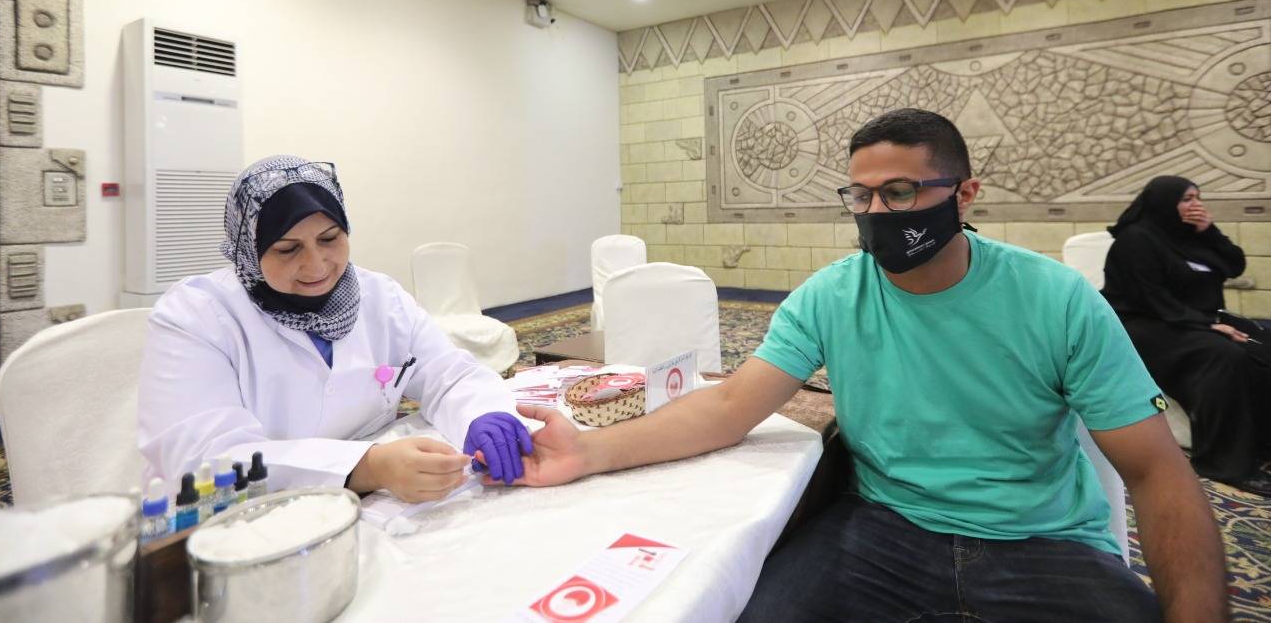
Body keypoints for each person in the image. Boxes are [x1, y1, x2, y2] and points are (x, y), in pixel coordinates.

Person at [500, 110, 1227, 622]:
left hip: (1041, 542)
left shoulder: (1056, 298)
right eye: (861, 194)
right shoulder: (831, 294)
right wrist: (589, 450)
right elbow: (727, 406)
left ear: (965, 194)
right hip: (883, 530)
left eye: (901, 191)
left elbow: (1157, 472)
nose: (877, 210)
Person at [138, 155, 532, 502]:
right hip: (243, 517)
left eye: (329, 239)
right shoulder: (197, 316)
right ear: (250, 251)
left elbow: (449, 374)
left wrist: (484, 414)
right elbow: (203, 458)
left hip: (375, 500)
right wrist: (364, 467)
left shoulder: (381, 297)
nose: (316, 265)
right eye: (288, 249)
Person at [1101, 175, 1269, 495]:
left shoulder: (1192, 237)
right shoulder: (1135, 240)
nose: (1196, 205)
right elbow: (1149, 297)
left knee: (1261, 344)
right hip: (1144, 325)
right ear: (1165, 202)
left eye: (1198, 198)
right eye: (1187, 199)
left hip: (1190, 320)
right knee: (1224, 356)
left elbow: (1235, 266)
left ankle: (1260, 442)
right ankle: (1224, 463)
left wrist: (1210, 230)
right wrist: (1205, 325)